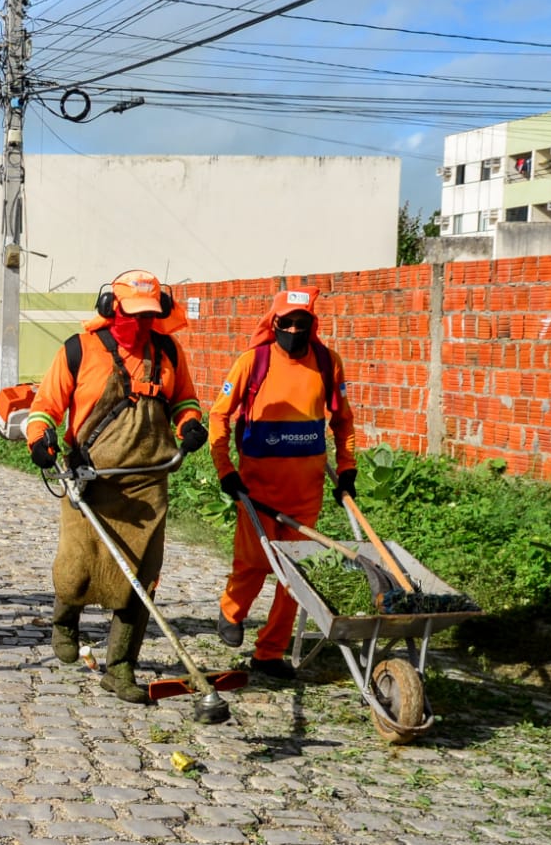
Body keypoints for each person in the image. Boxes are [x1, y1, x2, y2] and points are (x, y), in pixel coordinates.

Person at [24, 269, 208, 704]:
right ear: (112, 308)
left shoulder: (167, 352)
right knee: (76, 569)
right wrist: (40, 439)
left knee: (141, 579)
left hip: (148, 483)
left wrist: (191, 423)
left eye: (149, 316)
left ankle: (120, 667)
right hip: (89, 479)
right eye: (133, 314)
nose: (141, 324)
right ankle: (65, 618)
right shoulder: (79, 350)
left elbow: (184, 399)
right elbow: (45, 406)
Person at [209, 287, 357, 680]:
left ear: (312, 325)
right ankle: (231, 611)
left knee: (295, 576)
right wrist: (225, 469)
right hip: (256, 489)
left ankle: (270, 653)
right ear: (273, 323)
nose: (294, 329)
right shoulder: (251, 363)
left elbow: (343, 422)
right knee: (253, 563)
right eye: (286, 322)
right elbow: (219, 417)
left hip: (305, 492)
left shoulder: (327, 363)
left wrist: (347, 470)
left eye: (302, 323)